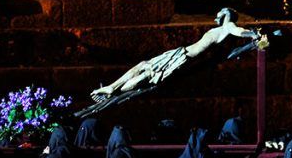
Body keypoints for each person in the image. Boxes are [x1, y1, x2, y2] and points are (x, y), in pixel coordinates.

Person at [82, 8, 262, 114]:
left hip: (183, 58)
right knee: (144, 66)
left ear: (226, 14)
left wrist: (253, 34)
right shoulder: (222, 29)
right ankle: (112, 88)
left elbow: (240, 32)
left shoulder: (228, 27)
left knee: (146, 74)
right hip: (180, 54)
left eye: (221, 11)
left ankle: (113, 89)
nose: (218, 14)